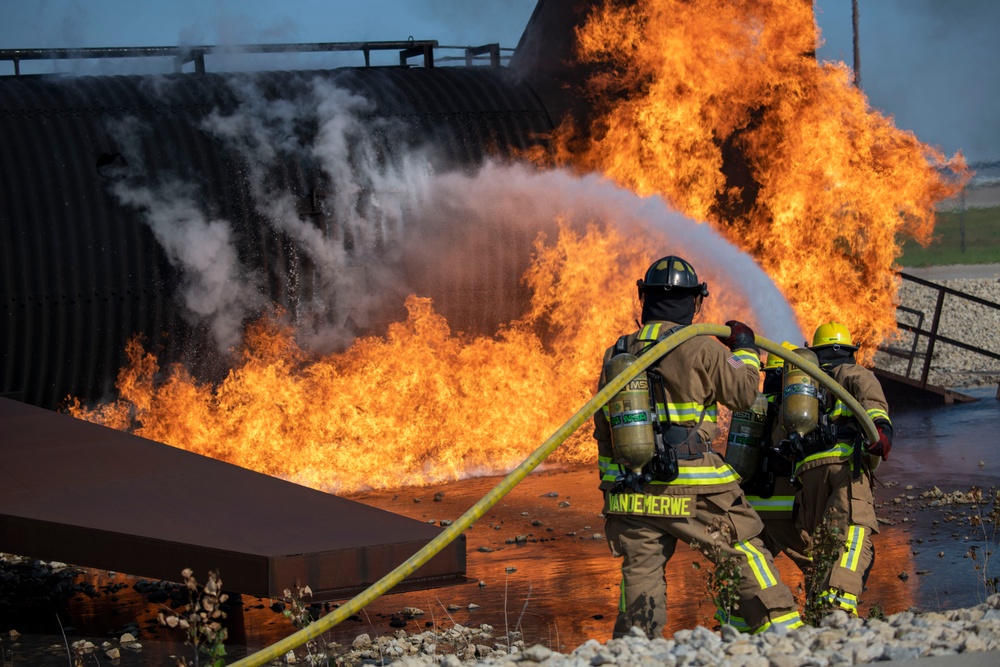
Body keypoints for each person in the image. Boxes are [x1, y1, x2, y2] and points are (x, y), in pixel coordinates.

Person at [593, 255, 803, 638]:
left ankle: (635, 650)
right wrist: (743, 350)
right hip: (693, 486)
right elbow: (744, 393)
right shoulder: (703, 346)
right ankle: (785, 636)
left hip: (631, 490)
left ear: (645, 298)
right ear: (695, 301)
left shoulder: (616, 353)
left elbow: (604, 424)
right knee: (743, 551)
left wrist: (614, 485)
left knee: (641, 573)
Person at [792, 322, 892, 616]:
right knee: (853, 538)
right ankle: (839, 610)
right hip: (843, 466)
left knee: (822, 547)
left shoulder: (804, 383)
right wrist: (882, 431)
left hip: (808, 474)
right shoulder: (854, 373)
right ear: (849, 350)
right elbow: (873, 405)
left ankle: (817, 611)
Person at [741, 344, 810, 572]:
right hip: (782, 506)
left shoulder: (755, 404)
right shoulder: (792, 411)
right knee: (814, 562)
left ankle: (735, 598)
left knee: (752, 567)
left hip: (750, 505)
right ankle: (831, 596)